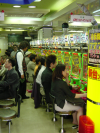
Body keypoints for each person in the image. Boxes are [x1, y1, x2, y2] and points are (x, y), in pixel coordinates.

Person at [51, 64, 87, 133]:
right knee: (80, 107)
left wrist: (67, 77)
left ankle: (75, 121)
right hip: (61, 105)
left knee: (74, 103)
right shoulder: (61, 83)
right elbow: (72, 95)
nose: (66, 71)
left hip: (57, 103)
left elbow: (66, 87)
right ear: (62, 72)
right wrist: (85, 94)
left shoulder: (55, 80)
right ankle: (80, 129)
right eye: (65, 70)